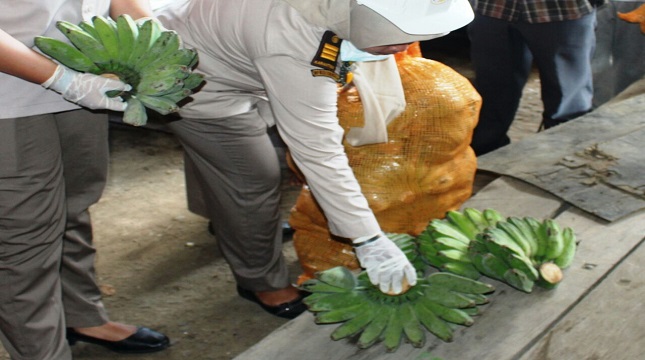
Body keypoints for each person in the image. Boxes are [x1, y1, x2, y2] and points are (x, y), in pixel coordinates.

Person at [153, 0, 475, 319]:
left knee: (236, 169)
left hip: (228, 50)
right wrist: (368, 239)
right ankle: (260, 281)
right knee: (253, 179)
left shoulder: (333, 13)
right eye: (392, 41)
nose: (402, 47)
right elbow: (318, 150)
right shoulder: (291, 41)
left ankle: (232, 220)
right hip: (197, 79)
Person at [0, 1, 170, 358]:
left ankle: (81, 314)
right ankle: (42, 352)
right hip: (9, 92)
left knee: (73, 204)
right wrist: (63, 80)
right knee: (24, 235)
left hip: (88, 72)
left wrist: (157, 40)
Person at [467, 0, 604, 156]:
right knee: (491, 93)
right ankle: (482, 159)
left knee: (567, 103)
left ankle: (564, 160)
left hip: (562, 9)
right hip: (492, 9)